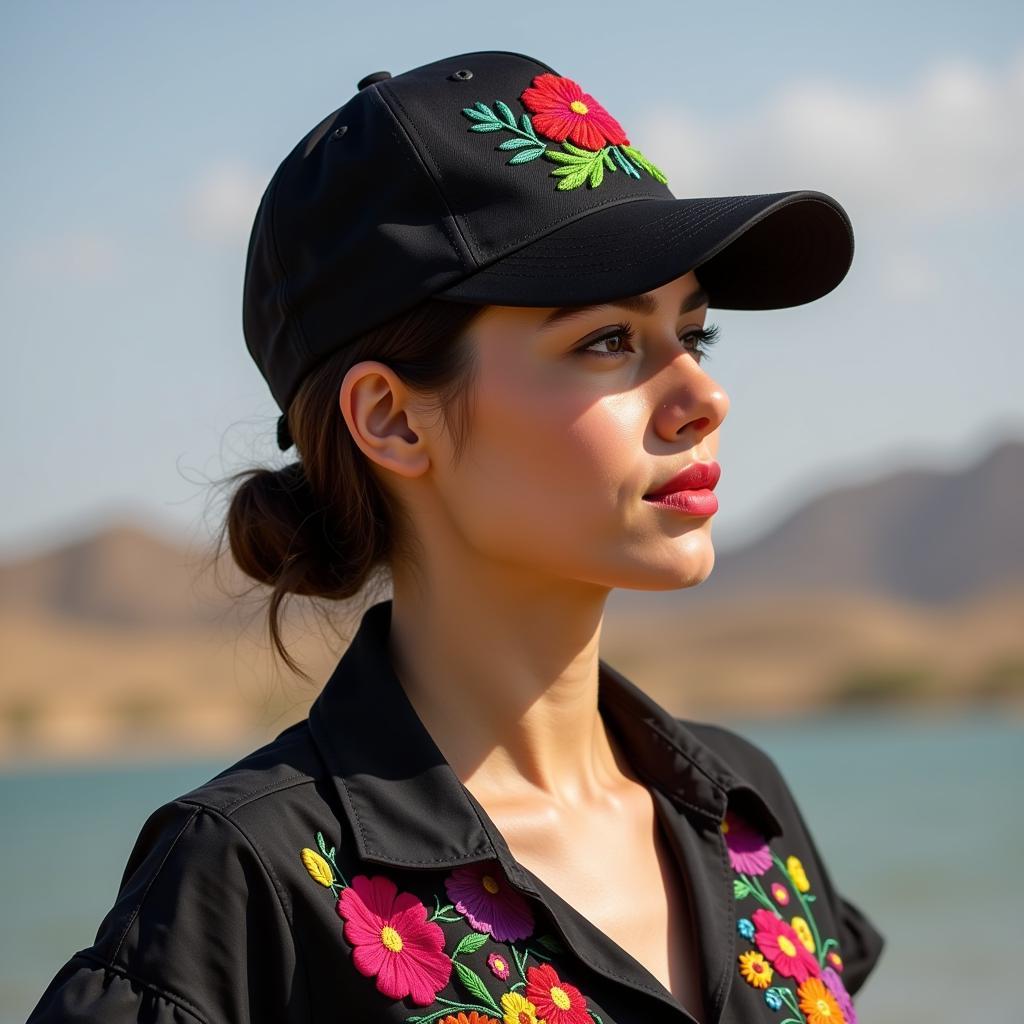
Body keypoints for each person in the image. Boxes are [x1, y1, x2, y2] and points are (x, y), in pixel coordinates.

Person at [27, 50, 885, 1024]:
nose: (703, 396)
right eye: (607, 340)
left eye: (694, 334)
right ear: (392, 418)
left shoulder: (744, 809)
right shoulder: (246, 875)